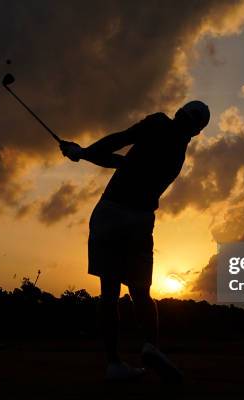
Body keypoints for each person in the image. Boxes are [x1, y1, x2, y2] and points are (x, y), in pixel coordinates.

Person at [60, 101, 210, 382]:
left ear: (179, 113)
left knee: (109, 293)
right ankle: (150, 345)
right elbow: (123, 162)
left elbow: (118, 142)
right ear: (196, 133)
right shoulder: (178, 156)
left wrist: (80, 152)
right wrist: (84, 153)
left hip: (112, 211)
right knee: (141, 292)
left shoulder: (157, 123)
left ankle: (114, 363)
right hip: (140, 220)